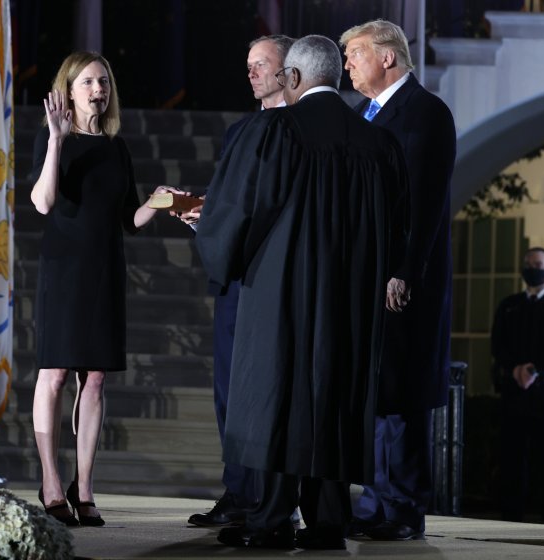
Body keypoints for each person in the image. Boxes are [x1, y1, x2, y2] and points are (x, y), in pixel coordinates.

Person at [195, 34, 409, 550]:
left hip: (281, 291)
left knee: (278, 391)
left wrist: (221, 249)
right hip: (349, 302)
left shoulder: (273, 132)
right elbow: (400, 228)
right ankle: (328, 520)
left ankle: (271, 517)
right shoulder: (378, 144)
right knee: (334, 393)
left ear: (291, 79)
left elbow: (242, 211)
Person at [29, 51, 167, 526]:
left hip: (105, 270)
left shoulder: (116, 147)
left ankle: (83, 488)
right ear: (69, 90)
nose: (97, 89)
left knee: (97, 378)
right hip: (64, 270)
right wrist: (55, 142)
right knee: (56, 374)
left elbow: (130, 219)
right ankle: (50, 481)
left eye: (103, 81)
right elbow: (44, 203)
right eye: (87, 81)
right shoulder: (55, 140)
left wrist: (160, 201)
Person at [339, 19, 457, 540]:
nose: (347, 64)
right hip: (370, 276)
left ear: (387, 57)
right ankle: (377, 500)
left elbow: (424, 204)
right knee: (379, 394)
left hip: (403, 281)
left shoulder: (426, 112)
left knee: (403, 395)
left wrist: (403, 270)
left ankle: (403, 508)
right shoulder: (366, 113)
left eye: (355, 54)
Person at [185, 33, 295, 530]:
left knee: (265, 392)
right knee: (228, 390)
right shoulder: (238, 131)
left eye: (261, 63)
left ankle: (269, 498)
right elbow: (229, 196)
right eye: (247, 64)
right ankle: (237, 490)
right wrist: (201, 212)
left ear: (287, 70)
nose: (250, 72)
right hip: (234, 278)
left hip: (272, 281)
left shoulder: (298, 128)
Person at [491, 247, 544, 525]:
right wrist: (515, 369)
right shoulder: (509, 305)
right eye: (528, 263)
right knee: (512, 462)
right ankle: (510, 523)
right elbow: (497, 345)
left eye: (538, 263)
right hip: (515, 394)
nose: (532, 268)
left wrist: (535, 370)